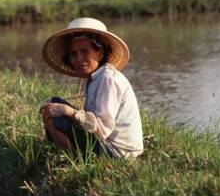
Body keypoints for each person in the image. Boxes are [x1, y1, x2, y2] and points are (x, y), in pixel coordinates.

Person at [39, 17, 143, 158]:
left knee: (61, 116)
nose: (79, 58)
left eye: (84, 51)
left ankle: (76, 158)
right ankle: (71, 154)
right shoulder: (95, 78)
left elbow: (102, 129)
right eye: (74, 54)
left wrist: (70, 112)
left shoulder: (108, 79)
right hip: (105, 143)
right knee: (56, 104)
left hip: (117, 152)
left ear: (99, 53)